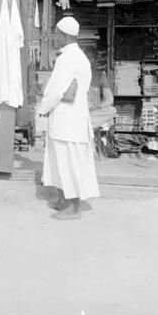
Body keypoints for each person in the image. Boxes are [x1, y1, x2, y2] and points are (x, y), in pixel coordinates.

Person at [38, 17, 100, 220]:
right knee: (64, 161)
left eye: (56, 34)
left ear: (64, 35)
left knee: (69, 162)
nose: (54, 38)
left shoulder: (68, 59)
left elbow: (56, 91)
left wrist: (42, 109)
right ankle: (65, 201)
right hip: (71, 118)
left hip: (68, 120)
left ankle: (73, 208)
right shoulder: (77, 56)